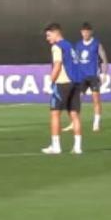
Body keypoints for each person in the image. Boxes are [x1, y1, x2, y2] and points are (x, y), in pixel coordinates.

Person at [42, 24, 83, 155]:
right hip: (75, 82)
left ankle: (56, 146)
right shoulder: (70, 45)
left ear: (56, 33)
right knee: (74, 115)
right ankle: (77, 147)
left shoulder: (57, 46)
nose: (47, 39)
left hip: (62, 83)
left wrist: (50, 82)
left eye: (48, 35)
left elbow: (58, 65)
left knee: (55, 113)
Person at [69, 23, 108, 133]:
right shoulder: (78, 45)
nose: (85, 33)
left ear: (91, 32)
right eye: (83, 31)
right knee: (76, 99)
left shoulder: (96, 44)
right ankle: (74, 122)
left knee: (96, 99)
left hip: (93, 76)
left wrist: (104, 74)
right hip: (81, 76)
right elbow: (75, 60)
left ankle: (96, 123)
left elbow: (104, 60)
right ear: (81, 32)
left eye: (87, 31)